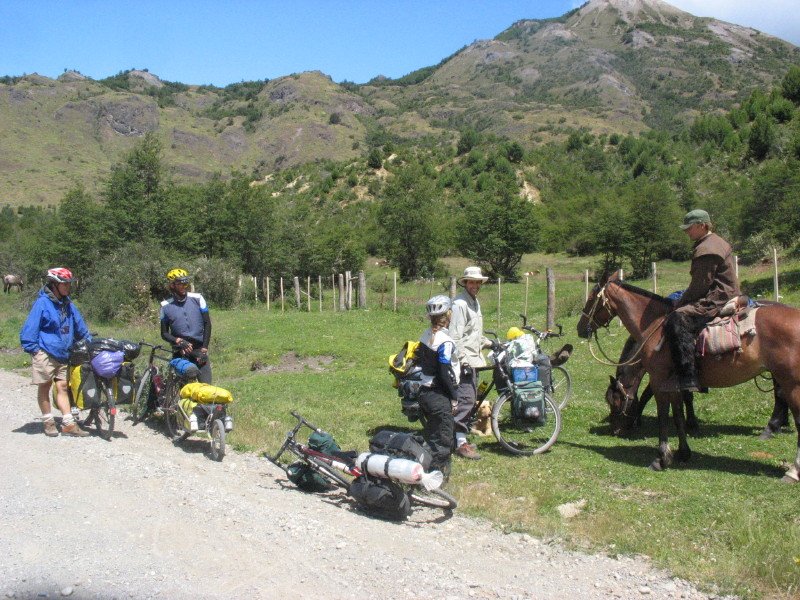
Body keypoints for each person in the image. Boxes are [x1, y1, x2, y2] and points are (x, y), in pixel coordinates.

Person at [663, 209, 740, 392]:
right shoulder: (713, 242)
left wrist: (681, 303)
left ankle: (688, 378)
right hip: (722, 292)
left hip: (717, 297)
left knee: (676, 319)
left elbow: (700, 285)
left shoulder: (707, 248)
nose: (686, 232)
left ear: (702, 225)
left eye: (690, 228)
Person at [20, 267, 91, 437]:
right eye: (64, 284)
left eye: (69, 284)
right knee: (45, 386)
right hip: (45, 352)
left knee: (62, 387)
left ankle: (67, 424)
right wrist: (34, 350)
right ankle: (48, 421)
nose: (68, 287)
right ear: (54, 285)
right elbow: (30, 328)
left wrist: (87, 340)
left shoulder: (68, 304)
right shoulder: (42, 303)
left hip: (64, 353)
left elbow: (79, 326)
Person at [448, 266, 491, 460]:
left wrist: (491, 343)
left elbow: (473, 334)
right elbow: (455, 336)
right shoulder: (460, 304)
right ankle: (460, 444)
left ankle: (458, 437)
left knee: (472, 399)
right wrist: (463, 362)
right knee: (465, 401)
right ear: (465, 282)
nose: (475, 285)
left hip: (475, 357)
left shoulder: (474, 302)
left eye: (477, 282)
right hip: (464, 360)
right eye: (471, 282)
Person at [417, 295, 460, 478]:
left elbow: (421, 360)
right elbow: (444, 373)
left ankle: (422, 469)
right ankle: (435, 477)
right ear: (448, 314)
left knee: (432, 434)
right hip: (438, 395)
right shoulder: (445, 341)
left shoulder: (425, 336)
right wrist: (454, 397)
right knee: (442, 438)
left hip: (424, 392)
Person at [160, 268, 212, 384]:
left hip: (199, 351)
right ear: (172, 285)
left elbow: (207, 324)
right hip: (180, 353)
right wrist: (178, 341)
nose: (184, 286)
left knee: (207, 389)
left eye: (185, 282)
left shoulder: (198, 298)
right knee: (185, 393)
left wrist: (204, 348)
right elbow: (164, 333)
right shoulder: (165, 306)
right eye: (180, 283)